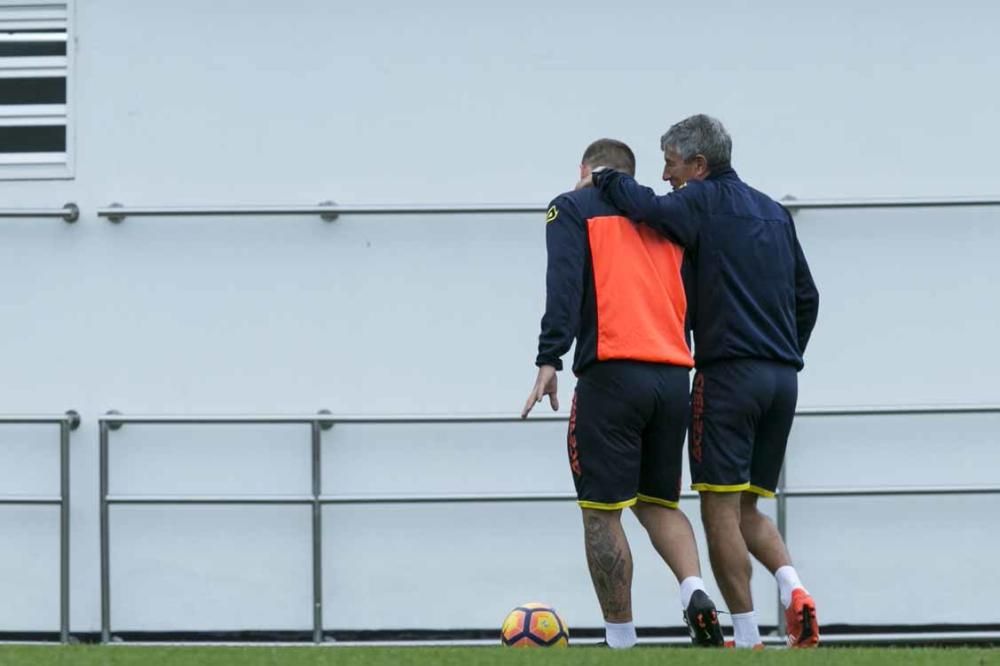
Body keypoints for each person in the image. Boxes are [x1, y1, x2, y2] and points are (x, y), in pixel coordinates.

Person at [580, 114, 821, 649]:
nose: (666, 176)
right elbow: (809, 299)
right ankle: (794, 586)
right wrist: (787, 353)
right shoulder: (775, 213)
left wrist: (605, 177)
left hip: (729, 375)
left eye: (670, 163)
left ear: (698, 165)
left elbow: (645, 209)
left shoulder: (700, 199)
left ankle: (747, 635)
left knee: (718, 510)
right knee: (749, 507)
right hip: (783, 378)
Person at [521, 138, 724, 649]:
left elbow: (562, 284)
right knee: (659, 502)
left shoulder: (571, 207)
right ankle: (694, 590)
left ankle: (621, 640)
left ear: (584, 169)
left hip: (612, 375)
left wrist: (550, 358)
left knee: (601, 511)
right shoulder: (665, 216)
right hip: (673, 375)